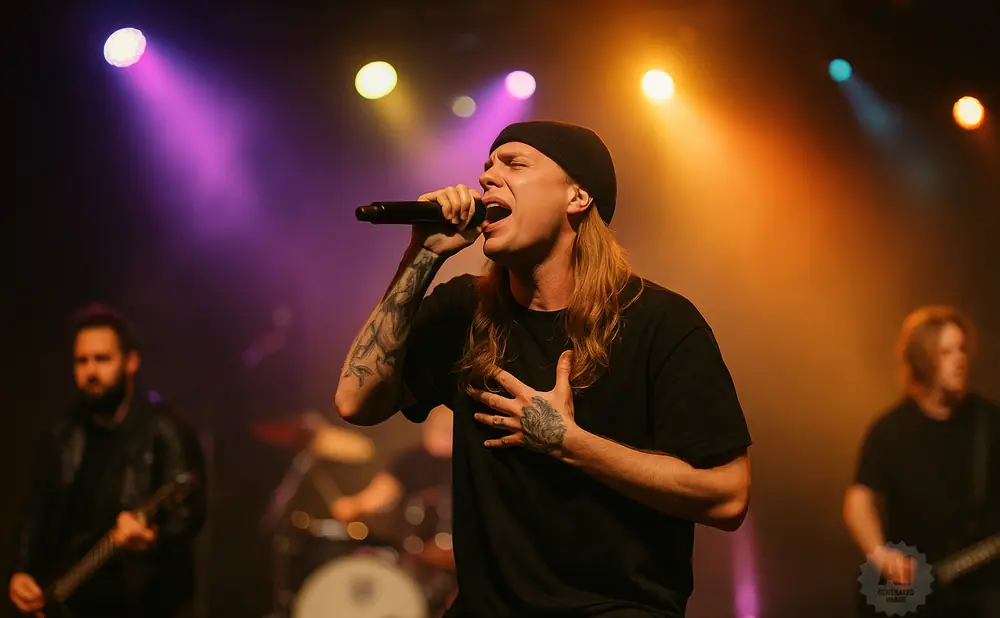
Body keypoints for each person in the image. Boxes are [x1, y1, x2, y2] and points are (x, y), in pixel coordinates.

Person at [335, 120, 752, 617]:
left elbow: (727, 496)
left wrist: (570, 443)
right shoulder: (463, 309)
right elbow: (355, 402)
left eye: (514, 164)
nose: (488, 178)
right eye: (486, 167)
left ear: (577, 196)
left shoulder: (659, 321)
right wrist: (420, 258)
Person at [8, 305, 207, 618]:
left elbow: (189, 512)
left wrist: (153, 538)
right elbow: (37, 510)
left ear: (130, 362)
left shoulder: (163, 428)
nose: (91, 372)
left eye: (102, 359)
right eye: (81, 361)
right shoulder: (63, 434)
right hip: (74, 603)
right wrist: (21, 572)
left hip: (146, 605)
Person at [843, 306, 1000, 618]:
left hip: (982, 592)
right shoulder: (889, 430)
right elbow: (858, 501)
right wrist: (880, 554)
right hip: (914, 594)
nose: (960, 359)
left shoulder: (990, 421)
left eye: (962, 349)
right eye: (946, 352)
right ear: (921, 360)